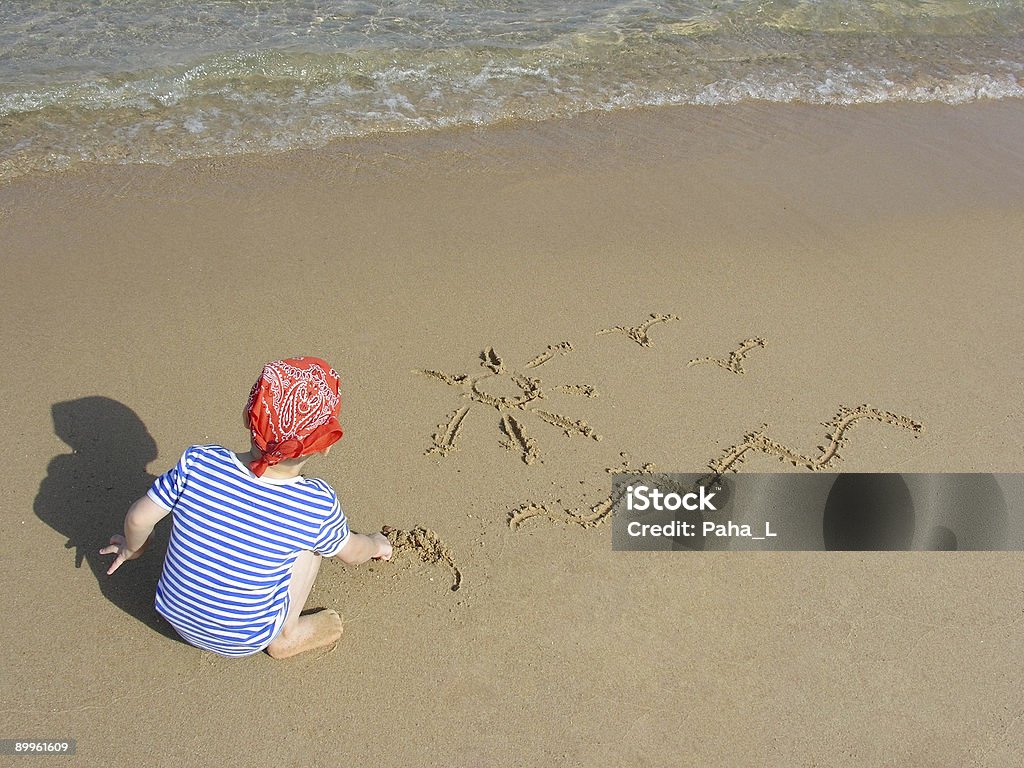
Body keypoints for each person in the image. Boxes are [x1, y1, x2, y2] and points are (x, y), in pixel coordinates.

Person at [101, 356, 392, 659]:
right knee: (313, 545)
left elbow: (137, 518)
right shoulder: (315, 504)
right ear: (326, 443)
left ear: (246, 415)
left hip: (172, 612)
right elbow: (352, 553)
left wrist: (132, 549)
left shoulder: (199, 463)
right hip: (245, 638)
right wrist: (375, 544)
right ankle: (286, 635)